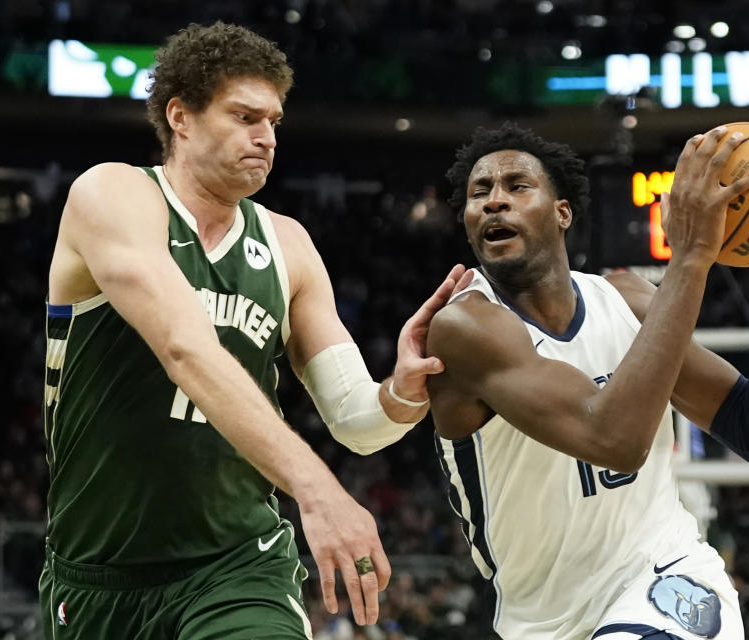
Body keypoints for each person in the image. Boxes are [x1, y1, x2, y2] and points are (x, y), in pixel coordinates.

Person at [39, 21, 469, 640]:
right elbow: (185, 347)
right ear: (180, 116)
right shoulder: (113, 194)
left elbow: (353, 419)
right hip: (97, 572)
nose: (266, 138)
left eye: (273, 122)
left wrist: (400, 391)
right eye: (245, 117)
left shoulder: (287, 243)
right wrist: (318, 492)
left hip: (237, 564)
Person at [426, 122, 749, 639]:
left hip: (665, 574)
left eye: (517, 185)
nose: (494, 201)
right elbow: (612, 440)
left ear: (562, 212)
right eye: (478, 193)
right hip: (542, 620)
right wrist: (689, 259)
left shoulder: (628, 300)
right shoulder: (465, 328)